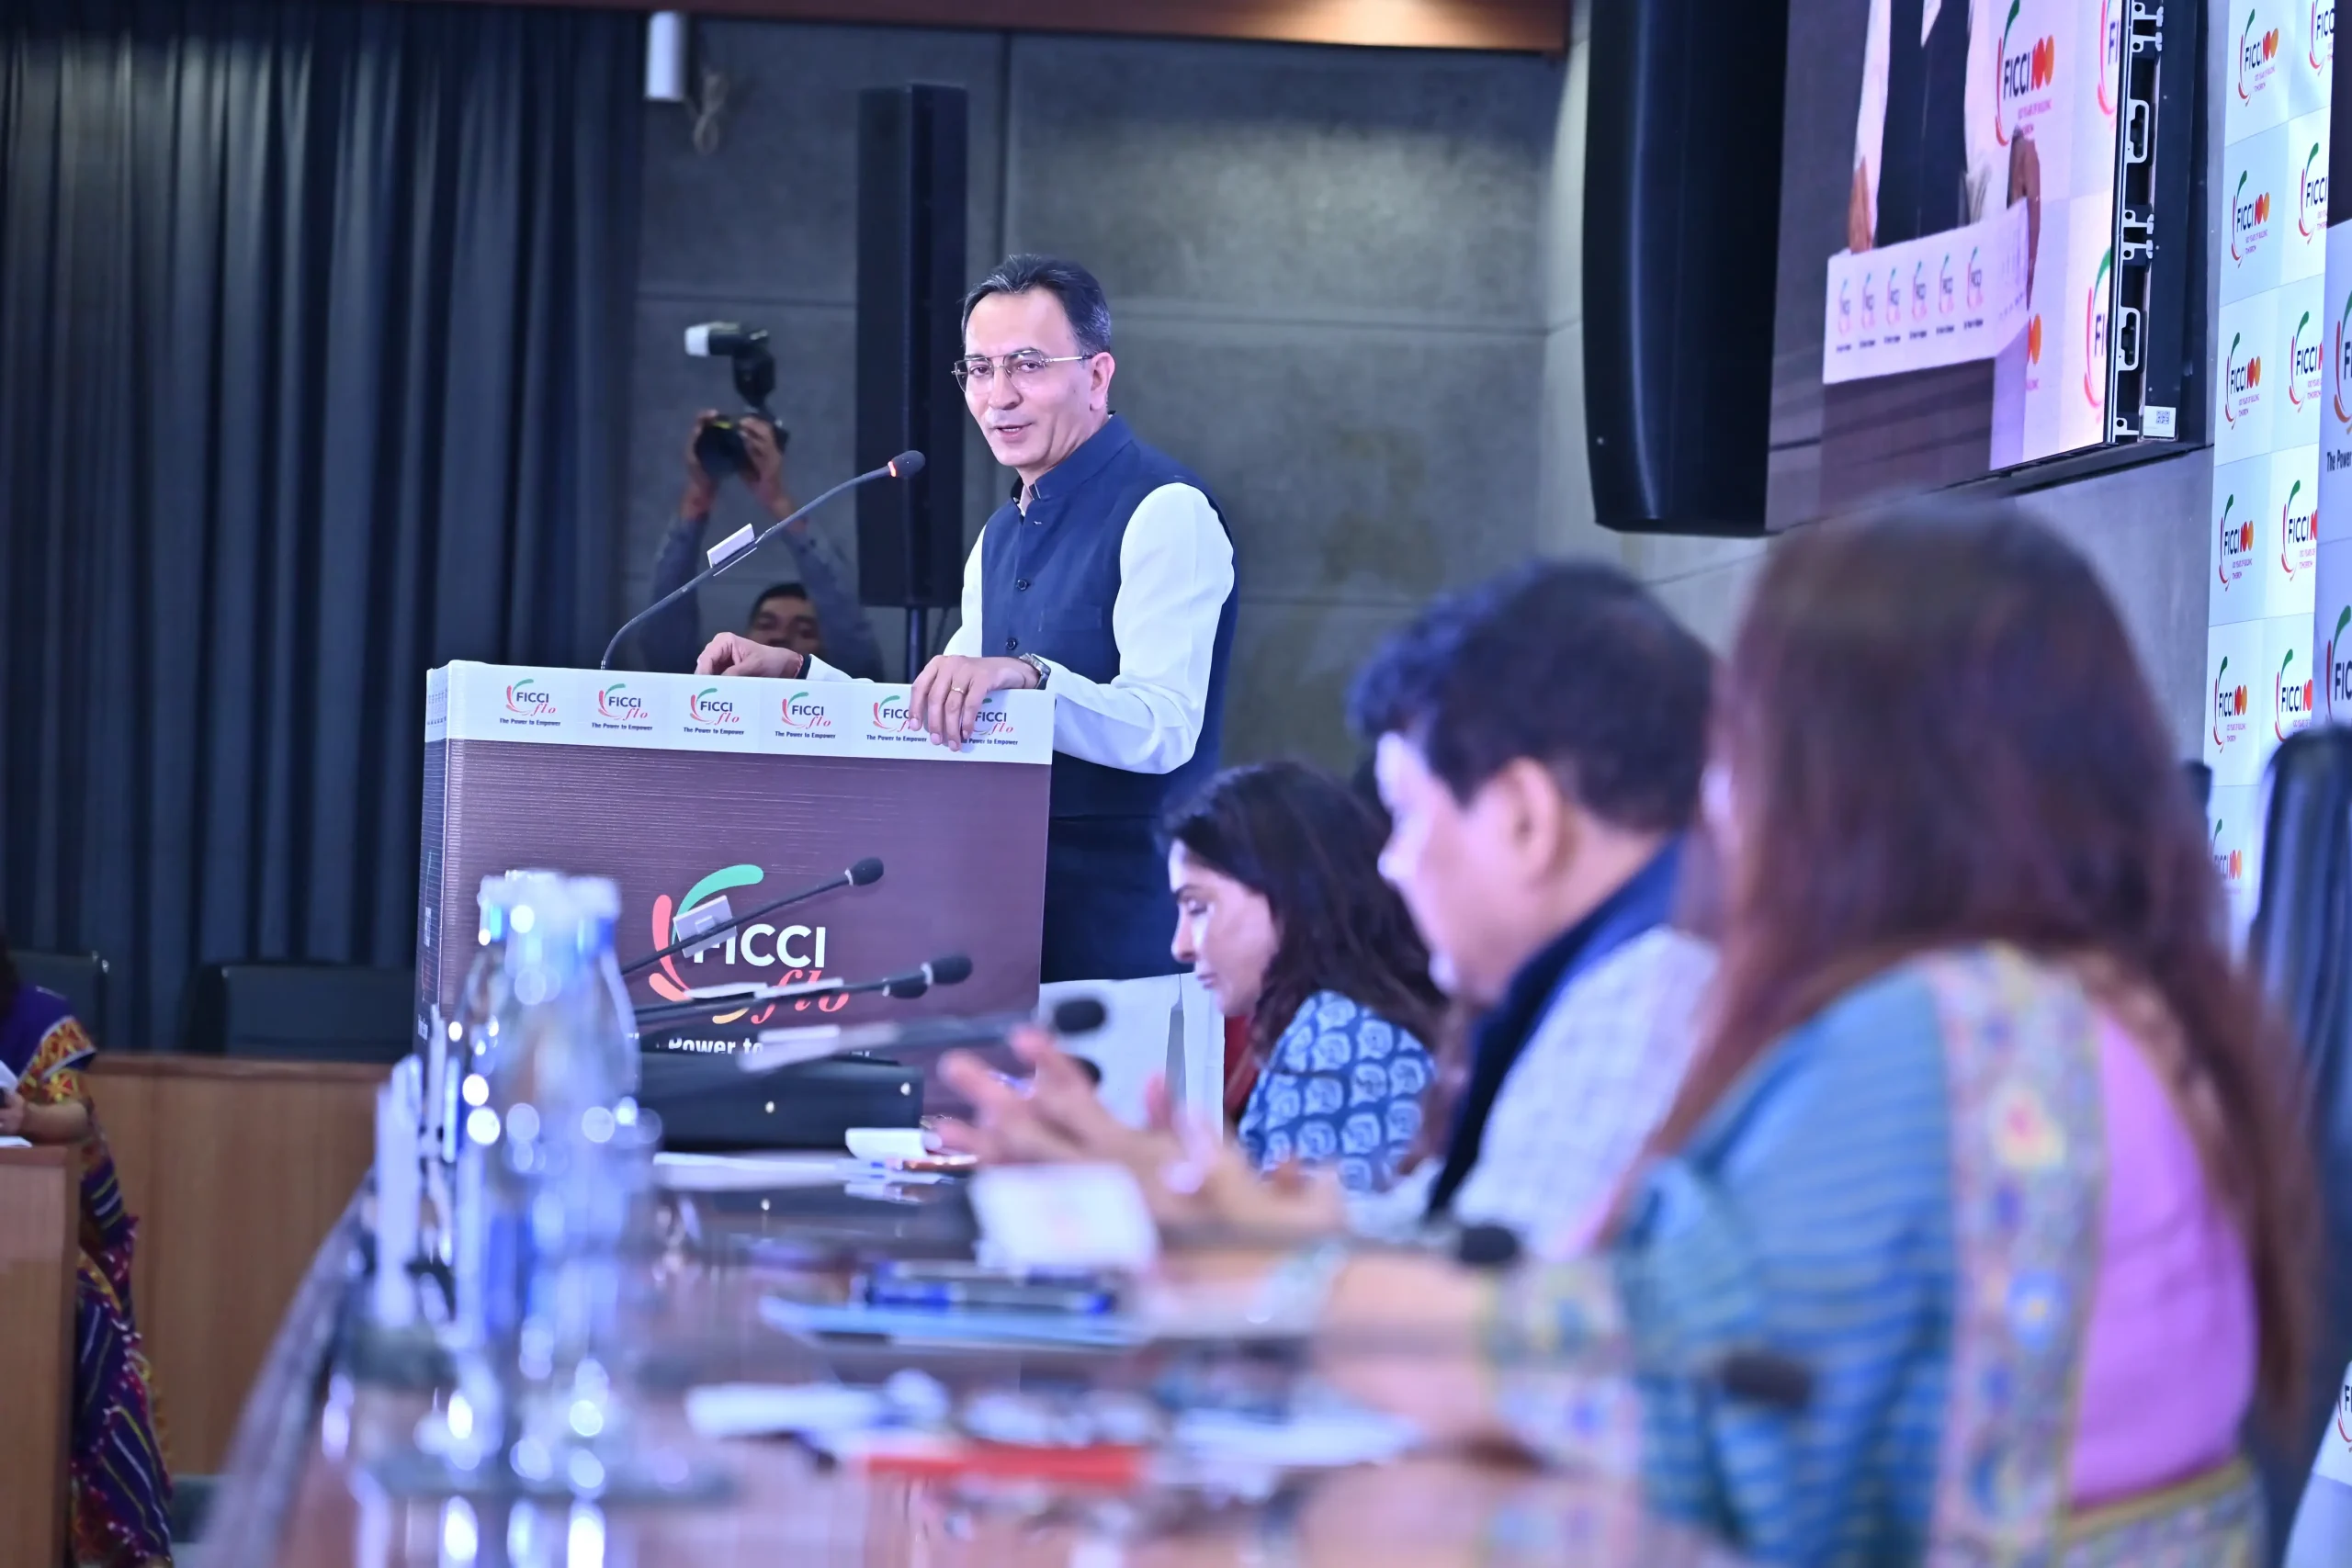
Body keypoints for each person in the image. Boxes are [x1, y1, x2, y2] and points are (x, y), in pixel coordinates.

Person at [1257, 501, 2315, 1564]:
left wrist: (1276, 1287)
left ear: (1839, 773)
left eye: (1742, 744)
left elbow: (1651, 1389)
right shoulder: (2120, 1013)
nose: (1717, 800)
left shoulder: (1937, 1040)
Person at [944, 560, 1717, 1259]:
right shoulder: (1597, 982)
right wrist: (1176, 1195)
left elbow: (1509, 1329)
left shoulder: (1643, 1000)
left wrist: (1215, 1232)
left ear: (1524, 817)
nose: (1391, 864)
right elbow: (1436, 1238)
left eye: (1408, 817)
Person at [700, 254, 1238, 1115]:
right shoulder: (999, 535)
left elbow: (1162, 727)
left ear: (1097, 375)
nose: (999, 395)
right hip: (998, 945)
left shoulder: (1165, 510)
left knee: (1115, 1194)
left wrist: (1028, 676)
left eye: (1027, 365)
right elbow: (942, 713)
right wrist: (801, 678)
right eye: (979, 369)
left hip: (1128, 951)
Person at [945, 762, 1442, 1194]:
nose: (1180, 946)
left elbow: (1297, 1257)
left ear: (1294, 894)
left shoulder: (1339, 1036)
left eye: (1199, 907)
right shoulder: (1335, 1021)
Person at [0, 930, 173, 1566]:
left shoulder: (37, 1016)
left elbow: (75, 1116)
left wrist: (26, 1118)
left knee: (89, 1322)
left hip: (39, 1238)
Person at [634, 411, 886, 679]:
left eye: (804, 631)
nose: (780, 638)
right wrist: (698, 493)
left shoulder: (846, 691)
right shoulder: (709, 689)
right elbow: (663, 644)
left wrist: (777, 499)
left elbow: (850, 635)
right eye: (766, 624)